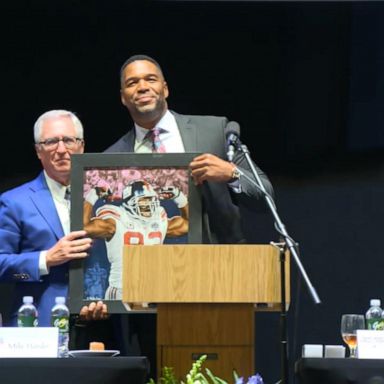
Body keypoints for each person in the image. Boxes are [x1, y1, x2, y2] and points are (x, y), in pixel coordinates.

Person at [93, 54, 274, 378]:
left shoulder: (213, 130)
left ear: (165, 87)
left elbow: (265, 197)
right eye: (132, 83)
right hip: (150, 300)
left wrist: (230, 173)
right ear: (123, 97)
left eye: (150, 79)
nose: (142, 87)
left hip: (222, 285)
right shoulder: (111, 159)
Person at [0, 110, 108, 329]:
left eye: (68, 140)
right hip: (38, 324)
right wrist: (46, 259)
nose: (61, 150)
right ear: (39, 151)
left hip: (103, 321)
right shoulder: (14, 202)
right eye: (50, 142)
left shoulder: (107, 199)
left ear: (81, 145)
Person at [83, 179, 189, 299]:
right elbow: (83, 228)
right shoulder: (116, 220)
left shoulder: (159, 221)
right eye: (144, 201)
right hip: (122, 288)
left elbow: (190, 224)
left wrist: (180, 198)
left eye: (151, 200)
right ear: (129, 202)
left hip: (152, 287)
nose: (149, 205)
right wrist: (91, 197)